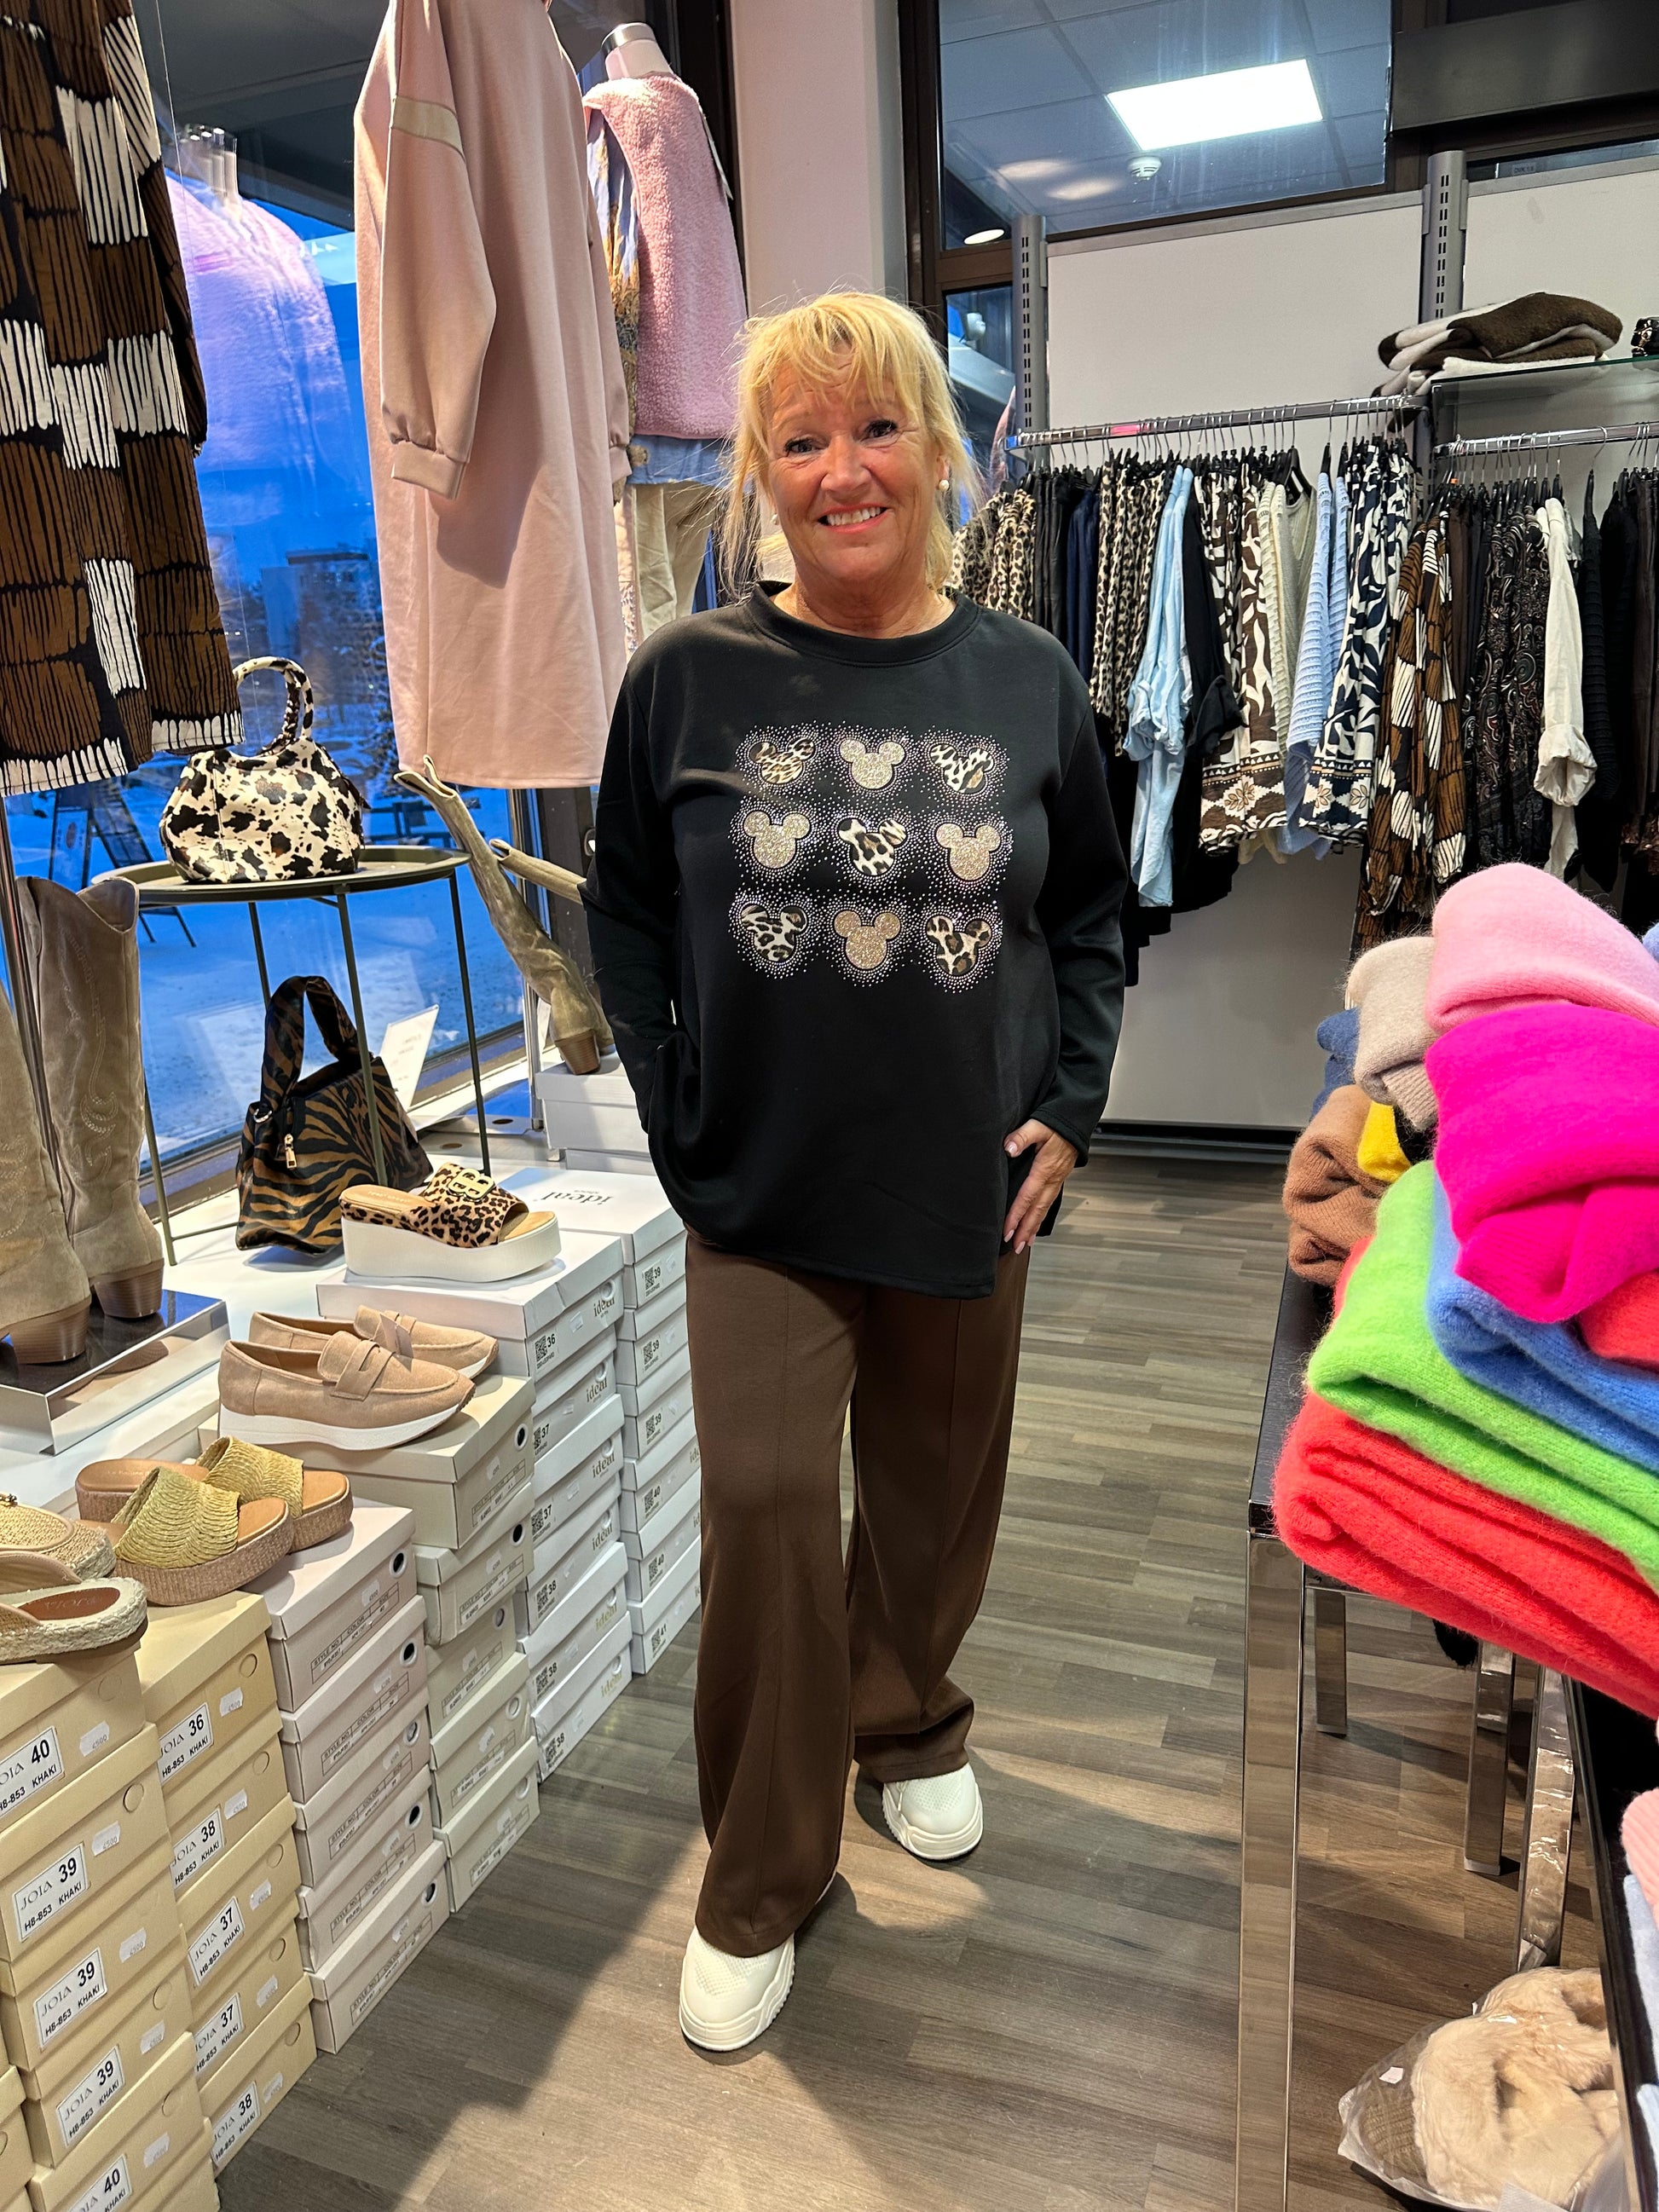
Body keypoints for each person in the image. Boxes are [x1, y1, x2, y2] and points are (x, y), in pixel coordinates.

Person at [582, 290, 1127, 2052]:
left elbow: (1092, 916)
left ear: (937, 450)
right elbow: (628, 912)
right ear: (761, 473)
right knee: (759, 1505)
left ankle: (904, 1717)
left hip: (968, 1179)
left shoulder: (1026, 679)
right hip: (758, 1188)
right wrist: (675, 1110)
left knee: (930, 1490)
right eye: (800, 439)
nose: (842, 470)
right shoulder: (684, 677)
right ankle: (760, 1868)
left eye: (876, 427)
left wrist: (1073, 1105)